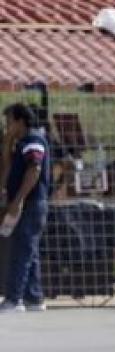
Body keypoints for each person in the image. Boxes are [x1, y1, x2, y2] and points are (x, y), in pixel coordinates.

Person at [0, 103, 50, 313]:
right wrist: (8, 141)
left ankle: (14, 299)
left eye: (9, 121)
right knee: (30, 250)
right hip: (25, 203)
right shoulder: (21, 143)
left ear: (20, 121)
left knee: (21, 250)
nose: (6, 125)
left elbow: (34, 170)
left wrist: (18, 200)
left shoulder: (34, 141)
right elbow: (8, 168)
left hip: (30, 204)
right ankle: (34, 297)